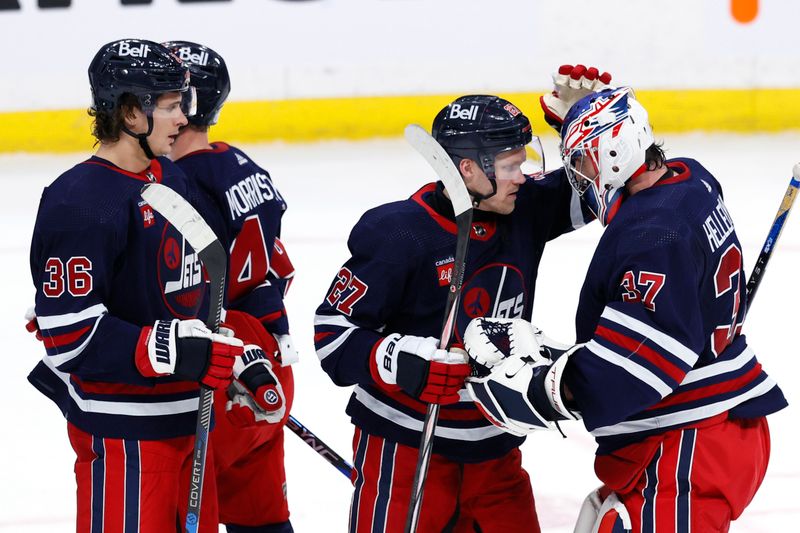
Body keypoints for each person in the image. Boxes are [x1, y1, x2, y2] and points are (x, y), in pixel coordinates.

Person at [464, 87, 788, 532]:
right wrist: (581, 120)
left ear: (613, 154)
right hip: (713, 429)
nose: (575, 176)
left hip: (686, 446)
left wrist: (544, 387)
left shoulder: (652, 235)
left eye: (581, 160)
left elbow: (632, 371)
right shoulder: (691, 180)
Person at [312, 76, 610, 531]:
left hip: (496, 446)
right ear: (467, 170)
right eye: (511, 165)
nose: (523, 175)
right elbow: (332, 336)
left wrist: (581, 119)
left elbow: (603, 186)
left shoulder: (523, 207)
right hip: (407, 449)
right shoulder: (400, 233)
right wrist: (402, 360)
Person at [26, 39, 244, 532]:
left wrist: (233, 359)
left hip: (191, 420)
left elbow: (190, 293)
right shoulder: (78, 201)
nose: (184, 119)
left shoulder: (170, 178)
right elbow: (70, 336)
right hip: (127, 434)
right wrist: (172, 349)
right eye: (169, 106)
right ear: (129, 113)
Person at [165, 41, 296, 533]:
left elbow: (173, 287)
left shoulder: (176, 185)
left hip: (219, 374)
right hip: (269, 360)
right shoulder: (243, 166)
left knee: (180, 511)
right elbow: (274, 263)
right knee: (262, 520)